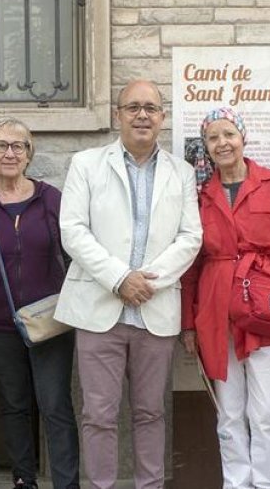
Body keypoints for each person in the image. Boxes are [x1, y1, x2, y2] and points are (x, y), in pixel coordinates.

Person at [54, 79, 202, 489]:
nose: (142, 114)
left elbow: (191, 237)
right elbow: (73, 229)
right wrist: (120, 278)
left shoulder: (182, 172)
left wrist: (146, 281)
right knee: (98, 415)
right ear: (117, 114)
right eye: (133, 107)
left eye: (150, 108)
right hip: (100, 308)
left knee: (151, 412)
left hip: (154, 310)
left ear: (162, 118)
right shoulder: (86, 163)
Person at [178, 107, 270, 489]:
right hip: (217, 314)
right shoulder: (200, 195)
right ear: (205, 146)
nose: (222, 143)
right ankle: (236, 483)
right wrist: (188, 323)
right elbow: (190, 264)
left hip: (266, 313)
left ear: (243, 138)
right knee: (230, 412)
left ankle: (267, 483)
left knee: (266, 411)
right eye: (213, 138)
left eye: (228, 134)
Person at [0, 118, 79, 489]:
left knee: (55, 406)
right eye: (1, 146)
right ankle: (23, 479)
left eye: (18, 146)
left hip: (50, 322)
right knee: (13, 405)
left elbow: (76, 255)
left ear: (29, 155)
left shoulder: (51, 199)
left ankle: (66, 483)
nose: (10, 153)